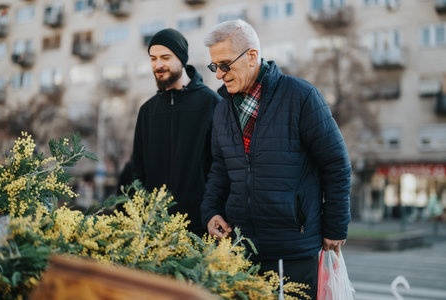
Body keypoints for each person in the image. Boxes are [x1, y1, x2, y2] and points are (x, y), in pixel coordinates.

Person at [201, 20, 352, 298]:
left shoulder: (301, 96)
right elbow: (219, 170)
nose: (219, 75)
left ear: (252, 57)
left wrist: (336, 225)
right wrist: (210, 212)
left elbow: (336, 164)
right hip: (241, 251)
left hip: (294, 251)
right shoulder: (222, 111)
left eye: (225, 64)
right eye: (215, 67)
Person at [131, 28, 221, 237]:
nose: (158, 65)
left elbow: (221, 169)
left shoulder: (211, 104)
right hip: (155, 231)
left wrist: (213, 213)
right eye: (153, 58)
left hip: (201, 230)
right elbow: (138, 172)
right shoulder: (147, 111)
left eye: (165, 57)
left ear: (181, 59)